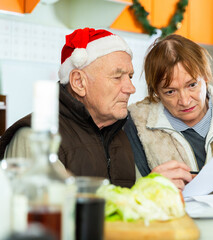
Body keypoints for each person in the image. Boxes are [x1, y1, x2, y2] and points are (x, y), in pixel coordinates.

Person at [124, 34, 213, 192]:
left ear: (205, 76)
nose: (184, 101)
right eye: (170, 92)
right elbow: (133, 192)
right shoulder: (136, 123)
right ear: (156, 92)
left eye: (192, 85)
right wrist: (154, 188)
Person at [0, 28, 136, 187]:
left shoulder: (122, 134)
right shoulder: (33, 137)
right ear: (79, 82)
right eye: (117, 77)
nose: (131, 88)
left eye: (130, 77)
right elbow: (44, 208)